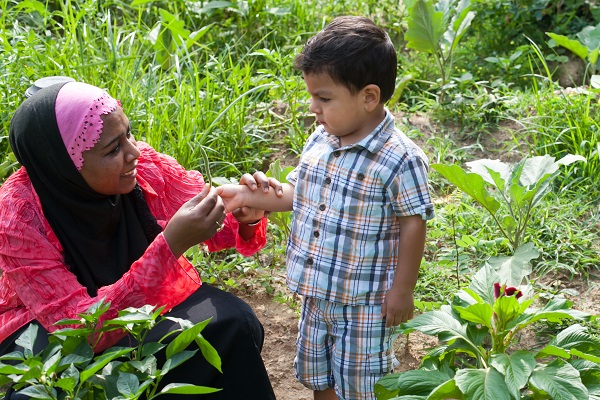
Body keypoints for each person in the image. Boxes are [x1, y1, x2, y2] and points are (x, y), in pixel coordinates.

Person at [0, 81, 279, 399]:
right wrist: (170, 245)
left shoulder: (143, 165)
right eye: (112, 149)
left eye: (128, 134)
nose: (134, 151)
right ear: (64, 167)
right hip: (54, 326)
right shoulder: (17, 215)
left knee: (230, 324)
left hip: (144, 300)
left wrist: (247, 215)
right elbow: (77, 331)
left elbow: (215, 223)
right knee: (52, 390)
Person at [217, 16, 435, 400]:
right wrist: (249, 197)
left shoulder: (400, 159)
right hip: (316, 293)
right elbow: (297, 191)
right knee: (320, 377)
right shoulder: (321, 138)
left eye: (324, 98)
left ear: (369, 97)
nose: (312, 107)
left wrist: (402, 290)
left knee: (361, 385)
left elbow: (412, 223)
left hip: (365, 303)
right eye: (312, 96)